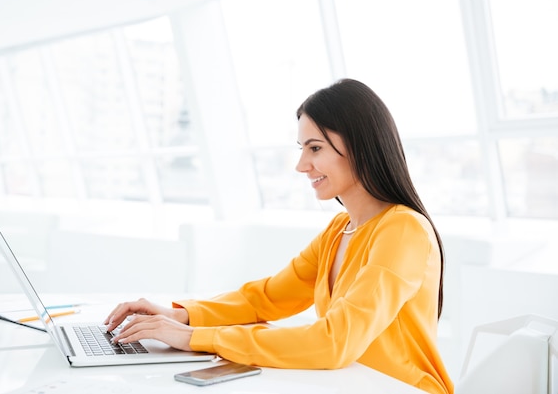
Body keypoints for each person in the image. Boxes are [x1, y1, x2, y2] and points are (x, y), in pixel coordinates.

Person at [104, 79, 454, 394]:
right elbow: (266, 299)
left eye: (315, 148)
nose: (302, 165)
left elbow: (335, 342)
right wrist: (181, 316)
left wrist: (196, 339)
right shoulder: (340, 229)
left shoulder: (403, 230)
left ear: (361, 146)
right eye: (301, 149)